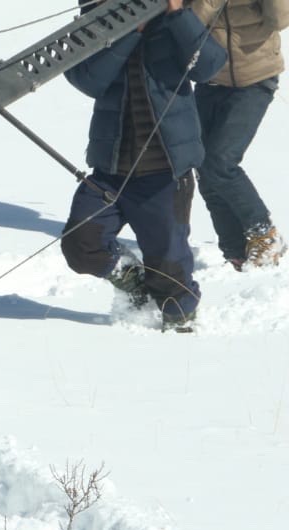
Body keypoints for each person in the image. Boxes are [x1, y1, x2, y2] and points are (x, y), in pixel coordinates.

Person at [60, 0, 227, 329]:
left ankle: (181, 327)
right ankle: (135, 287)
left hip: (164, 172)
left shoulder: (175, 20)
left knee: (170, 274)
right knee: (81, 243)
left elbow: (209, 66)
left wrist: (178, 14)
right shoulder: (96, 19)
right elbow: (87, 80)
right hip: (110, 169)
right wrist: (128, 32)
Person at [190, 0, 289, 270]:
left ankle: (264, 235)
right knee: (202, 164)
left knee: (220, 161)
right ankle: (236, 251)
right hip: (210, 79)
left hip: (255, 79)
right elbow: (190, 25)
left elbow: (280, 19)